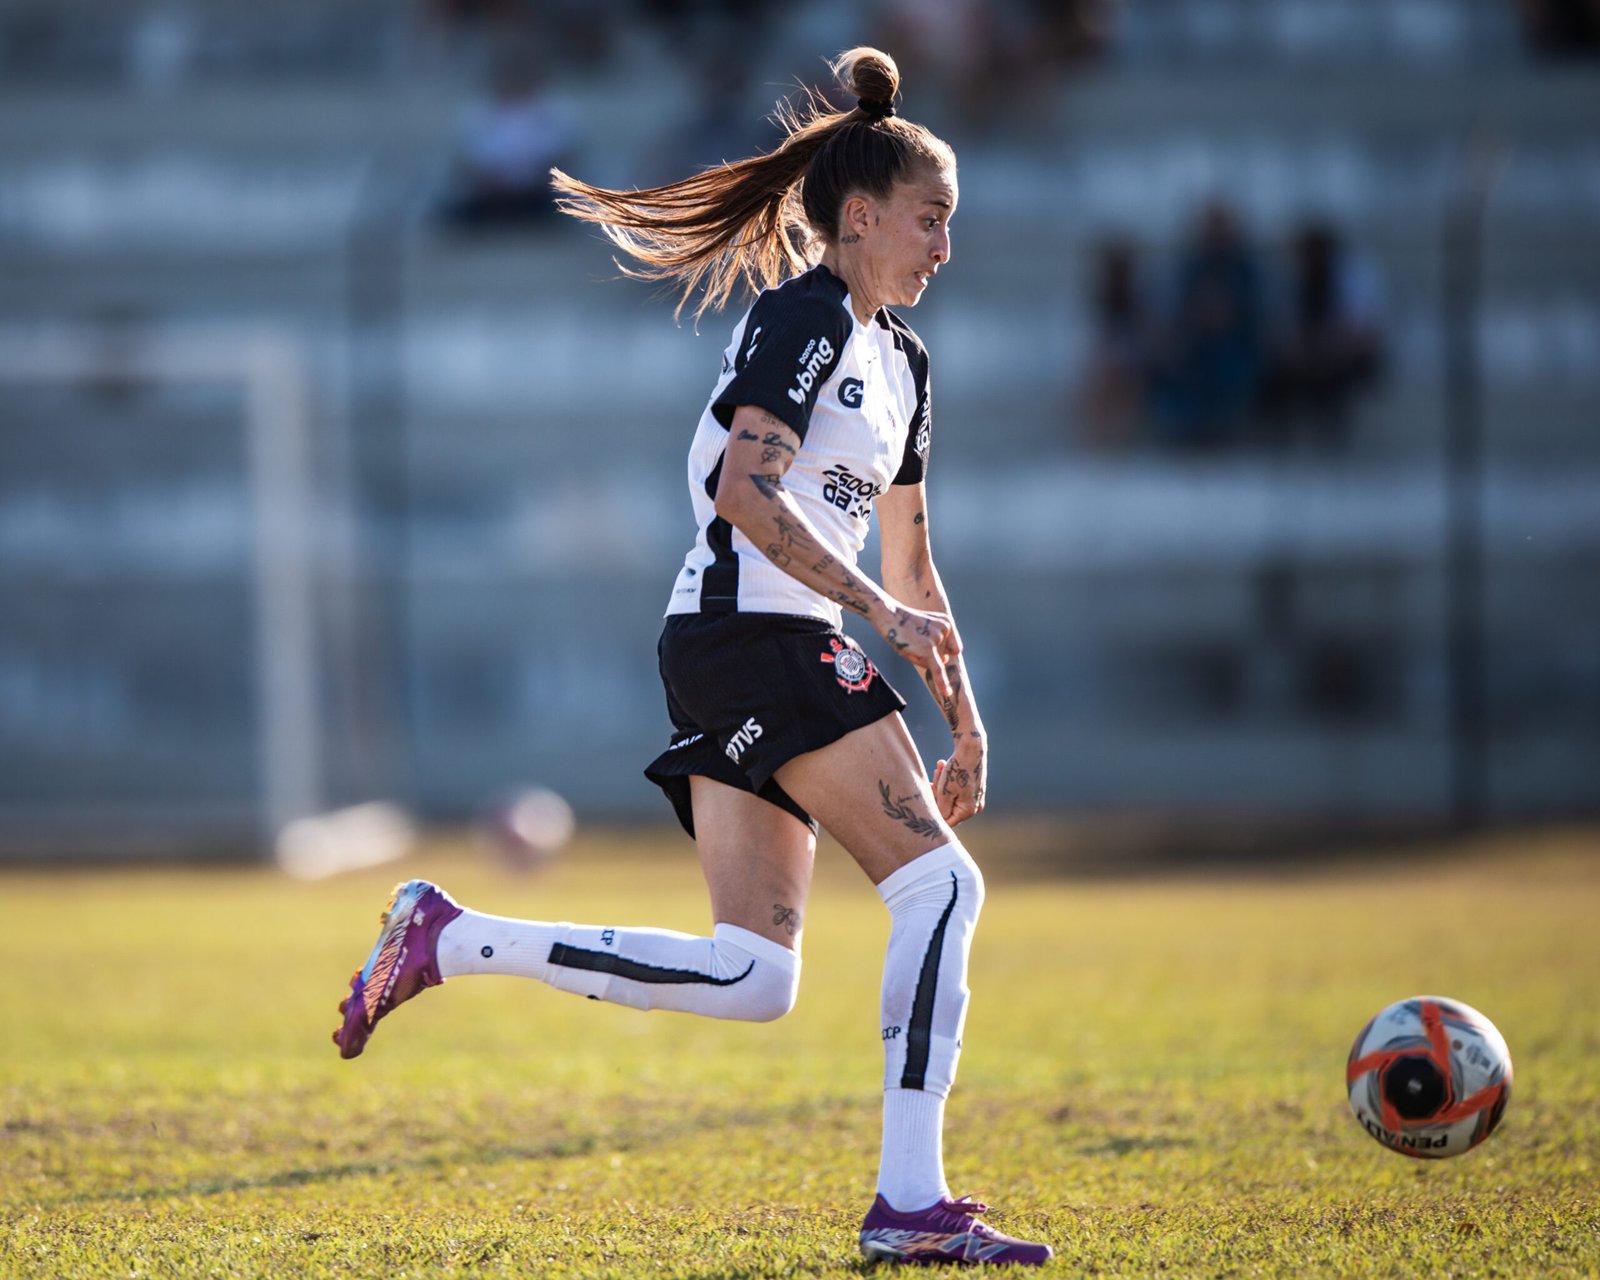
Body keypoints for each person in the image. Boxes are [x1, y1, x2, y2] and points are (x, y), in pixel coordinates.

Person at [331, 46, 1052, 1269]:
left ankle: (449, 934)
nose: (944, 245)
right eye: (930, 218)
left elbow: (916, 565)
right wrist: (876, 610)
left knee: (753, 974)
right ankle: (909, 1199)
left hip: (758, 641)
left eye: (950, 222)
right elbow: (745, 493)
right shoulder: (805, 316)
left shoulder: (906, 364)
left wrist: (965, 717)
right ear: (859, 217)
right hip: (753, 632)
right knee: (942, 887)